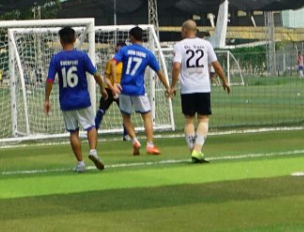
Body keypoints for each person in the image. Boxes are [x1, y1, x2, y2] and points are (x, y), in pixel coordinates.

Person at [44, 27, 111, 172]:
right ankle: (93, 150)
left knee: (73, 132)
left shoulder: (56, 59)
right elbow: (96, 74)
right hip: (82, 99)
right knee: (91, 126)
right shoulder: (82, 56)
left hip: (66, 101)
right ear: (75, 39)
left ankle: (80, 163)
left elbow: (49, 80)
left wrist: (47, 99)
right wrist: (102, 88)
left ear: (60, 41)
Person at [169, 20, 231, 164]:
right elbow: (216, 65)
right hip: (203, 87)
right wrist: (224, 81)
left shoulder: (179, 46)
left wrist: (173, 86)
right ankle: (197, 150)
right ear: (195, 31)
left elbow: (176, 67)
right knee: (203, 119)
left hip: (187, 88)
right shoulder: (206, 44)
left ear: (184, 30)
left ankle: (194, 151)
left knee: (189, 119)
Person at [114, 26, 171, 156]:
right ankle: (150, 144)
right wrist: (167, 87)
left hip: (124, 89)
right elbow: (159, 72)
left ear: (132, 37)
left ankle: (134, 140)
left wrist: (115, 81)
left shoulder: (125, 50)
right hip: (138, 89)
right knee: (146, 116)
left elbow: (113, 62)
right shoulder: (148, 54)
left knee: (126, 117)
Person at [95, 41, 129, 140]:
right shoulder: (111, 62)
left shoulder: (126, 63)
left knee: (125, 113)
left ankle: (126, 134)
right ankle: (93, 132)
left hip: (121, 91)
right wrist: (112, 87)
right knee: (101, 111)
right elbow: (106, 77)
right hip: (109, 90)